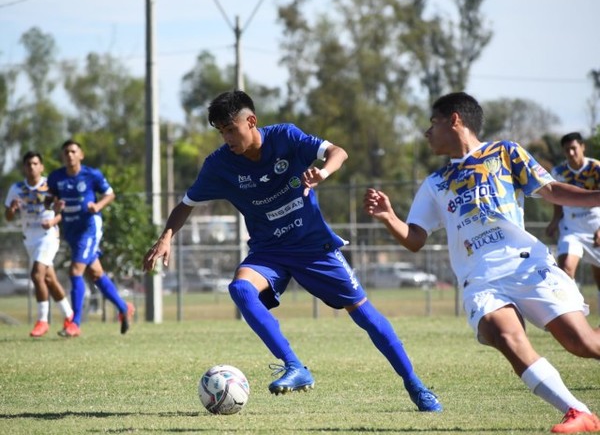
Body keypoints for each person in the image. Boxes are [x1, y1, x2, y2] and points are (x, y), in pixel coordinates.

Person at [142, 90, 442, 412]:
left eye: (230, 129)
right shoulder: (219, 165)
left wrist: (322, 172)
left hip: (314, 247)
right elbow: (186, 205)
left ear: (251, 121)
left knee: (365, 316)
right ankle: (294, 365)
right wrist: (166, 237)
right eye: (221, 132)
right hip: (269, 251)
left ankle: (416, 386)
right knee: (241, 289)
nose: (226, 138)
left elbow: (338, 152)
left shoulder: (286, 137)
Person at [364, 92, 600, 433]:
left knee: (583, 344)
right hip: (480, 277)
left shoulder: (505, 152)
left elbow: (553, 191)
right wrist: (389, 217)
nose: (427, 133)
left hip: (523, 263)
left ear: (455, 120)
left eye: (433, 123)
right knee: (501, 332)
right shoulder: (434, 183)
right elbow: (415, 239)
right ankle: (578, 412)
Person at [46, 140, 134, 337]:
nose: (69, 155)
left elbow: (110, 194)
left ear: (81, 155)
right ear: (63, 156)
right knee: (95, 274)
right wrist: (54, 207)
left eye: (73, 151)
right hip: (71, 230)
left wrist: (98, 206)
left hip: (89, 227)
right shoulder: (56, 177)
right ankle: (123, 307)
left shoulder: (91, 174)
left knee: (75, 271)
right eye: (66, 152)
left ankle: (74, 323)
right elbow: (48, 201)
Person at [4, 151, 74, 337]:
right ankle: (70, 316)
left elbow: (61, 212)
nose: (32, 167)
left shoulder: (50, 186)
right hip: (30, 239)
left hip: (48, 236)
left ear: (41, 166)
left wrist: (53, 221)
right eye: (28, 164)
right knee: (49, 280)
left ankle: (43, 320)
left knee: (36, 275)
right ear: (24, 167)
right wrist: (12, 209)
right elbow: (8, 217)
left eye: (35, 163)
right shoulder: (17, 188)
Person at [546, 132, 600, 314]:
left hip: (595, 225)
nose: (571, 152)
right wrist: (554, 221)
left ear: (582, 147)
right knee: (566, 269)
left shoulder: (596, 168)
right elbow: (558, 199)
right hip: (572, 227)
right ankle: (572, 312)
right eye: (567, 149)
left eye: (574, 148)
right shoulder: (559, 172)